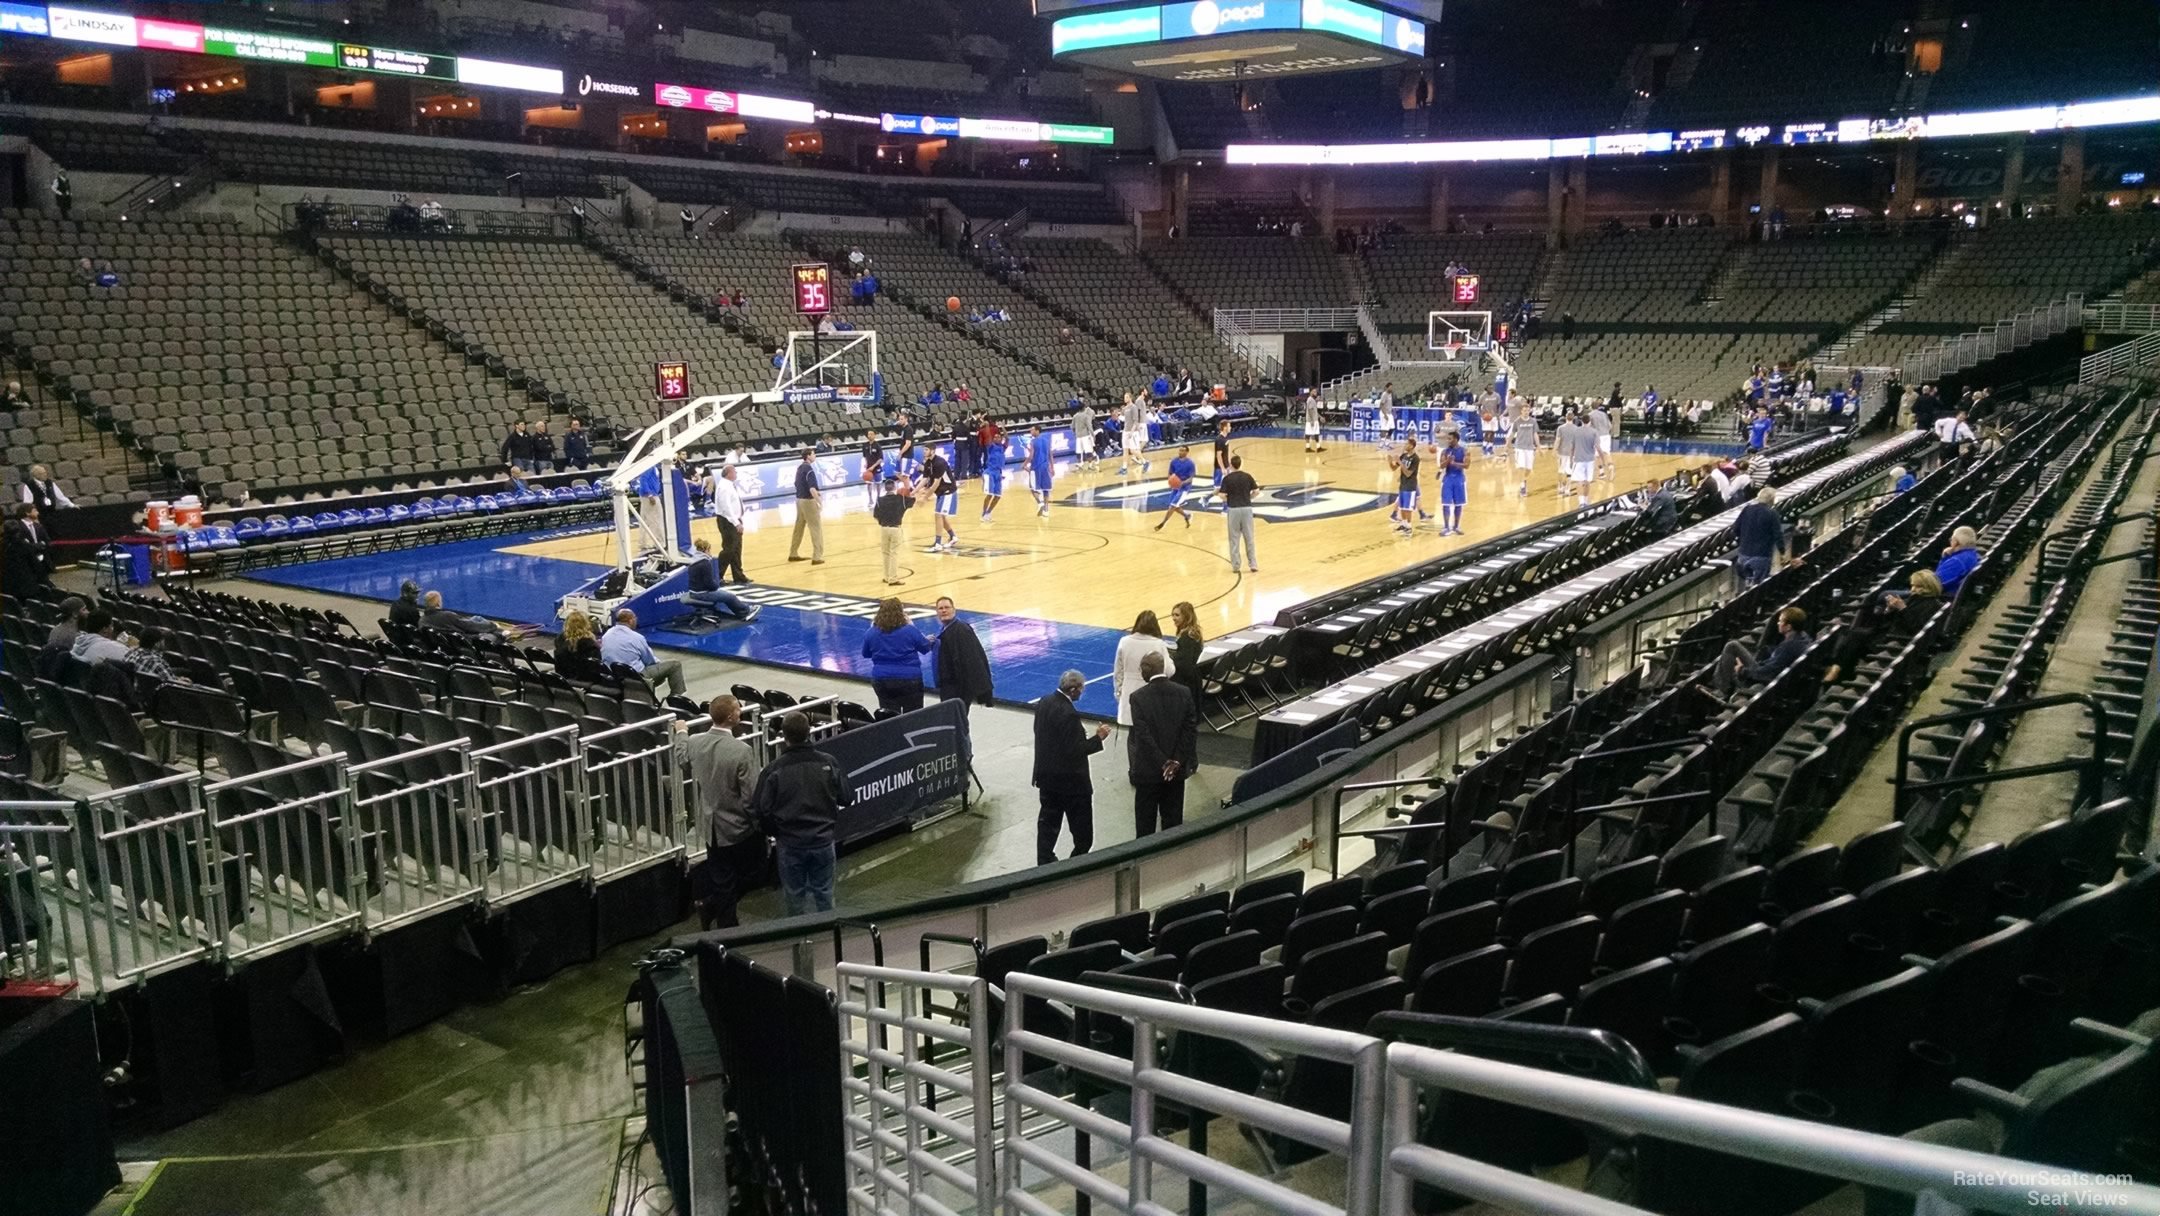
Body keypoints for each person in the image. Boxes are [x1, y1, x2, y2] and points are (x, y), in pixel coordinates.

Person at [750, 710, 851, 916]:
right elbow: (846, 797)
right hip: (822, 841)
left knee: (794, 899)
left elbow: (760, 810)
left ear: (783, 735)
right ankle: (831, 937)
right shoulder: (828, 762)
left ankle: (801, 942)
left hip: (790, 845)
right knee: (825, 895)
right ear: (809, 732)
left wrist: (777, 832)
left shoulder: (773, 771)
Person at [675, 695, 763, 929]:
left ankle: (718, 913)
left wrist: (681, 732)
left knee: (723, 878)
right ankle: (723, 917)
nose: (741, 712)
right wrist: (756, 823)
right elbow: (749, 796)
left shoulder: (695, 742)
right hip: (738, 828)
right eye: (738, 709)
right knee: (752, 872)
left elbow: (681, 758)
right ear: (731, 716)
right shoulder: (741, 751)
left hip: (711, 827)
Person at [1033, 669, 1110, 864]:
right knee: (1083, 834)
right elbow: (1076, 750)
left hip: (1047, 777)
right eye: (1081, 689)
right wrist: (1098, 737)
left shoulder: (1044, 702)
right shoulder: (1069, 714)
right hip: (1071, 784)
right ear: (1074, 690)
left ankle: (1044, 861)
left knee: (1048, 825)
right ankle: (1076, 865)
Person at [1126, 651, 1198, 840]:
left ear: (1145, 671)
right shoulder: (1184, 692)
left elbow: (1143, 736)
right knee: (1173, 825)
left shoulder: (1138, 697)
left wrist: (1163, 762)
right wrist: (1176, 761)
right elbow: (1189, 730)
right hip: (1176, 772)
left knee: (1145, 826)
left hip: (1148, 772)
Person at [1823, 571, 1941, 683]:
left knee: (1855, 641)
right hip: (1890, 632)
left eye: (1918, 586)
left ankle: (1839, 672)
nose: (1913, 589)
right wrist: (1889, 610)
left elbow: (1915, 627)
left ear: (1928, 587)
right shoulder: (1915, 598)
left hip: (1898, 640)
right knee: (1853, 634)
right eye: (1912, 586)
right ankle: (1838, 670)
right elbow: (1891, 619)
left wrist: (1902, 609)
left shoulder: (1931, 604)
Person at [1711, 606, 1812, 698]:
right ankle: (1725, 686)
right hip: (1778, 678)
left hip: (1767, 683)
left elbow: (1768, 672)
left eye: (1780, 621)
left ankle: (1721, 690)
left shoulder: (1788, 646)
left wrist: (1742, 671)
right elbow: (1776, 662)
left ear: (1788, 627)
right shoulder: (1804, 637)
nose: (1778, 623)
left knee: (1732, 646)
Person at [861, 597, 932, 712]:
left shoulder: (871, 632)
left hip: (882, 679)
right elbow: (925, 648)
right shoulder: (910, 630)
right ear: (901, 612)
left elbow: (866, 654)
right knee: (913, 717)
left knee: (889, 718)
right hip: (909, 680)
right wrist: (927, 638)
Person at [601, 608, 686, 697]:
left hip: (615, 677)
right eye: (635, 618)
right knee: (675, 665)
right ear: (631, 620)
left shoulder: (606, 635)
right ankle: (677, 699)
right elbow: (649, 661)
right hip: (636, 677)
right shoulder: (637, 638)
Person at [931, 597, 994, 717]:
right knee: (952, 720)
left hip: (958, 688)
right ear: (937, 612)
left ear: (954, 610)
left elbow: (972, 659)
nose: (944, 611)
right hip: (948, 686)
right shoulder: (945, 630)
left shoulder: (961, 630)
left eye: (947, 607)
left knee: (957, 721)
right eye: (940, 608)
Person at [1113, 610, 1175, 726]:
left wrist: (1119, 692)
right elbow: (1169, 671)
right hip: (1152, 694)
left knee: (1133, 736)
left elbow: (1118, 672)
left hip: (1128, 692)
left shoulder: (1124, 641)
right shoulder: (1158, 644)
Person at [685, 539, 760, 622]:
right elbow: (709, 584)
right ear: (706, 550)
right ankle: (746, 612)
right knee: (730, 597)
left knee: (724, 594)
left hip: (693, 592)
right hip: (701, 594)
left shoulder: (693, 560)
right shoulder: (705, 563)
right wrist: (717, 587)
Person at [1734, 487, 1784, 585]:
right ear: (1772, 500)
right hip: (1761, 556)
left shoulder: (1747, 509)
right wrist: (1782, 552)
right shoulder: (1772, 514)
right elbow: (1778, 535)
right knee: (1758, 586)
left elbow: (1736, 528)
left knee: (1747, 583)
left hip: (1744, 554)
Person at [708, 465, 749, 584]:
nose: (736, 473)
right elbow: (726, 507)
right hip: (728, 521)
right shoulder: (724, 487)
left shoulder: (729, 485)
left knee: (736, 549)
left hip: (734, 520)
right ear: (728, 473)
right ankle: (717, 575)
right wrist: (736, 523)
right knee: (729, 549)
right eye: (734, 471)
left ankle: (738, 576)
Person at [1220, 454, 1259, 574]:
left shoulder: (1227, 479)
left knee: (1234, 538)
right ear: (1240, 464)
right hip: (1247, 508)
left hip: (1233, 509)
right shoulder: (1247, 476)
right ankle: (1253, 564)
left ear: (1231, 465)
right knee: (1249, 537)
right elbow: (1256, 491)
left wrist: (1229, 499)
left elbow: (1222, 496)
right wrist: (1248, 497)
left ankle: (1236, 565)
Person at [1, 504, 51, 590]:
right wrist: (38, 545)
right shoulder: (19, 531)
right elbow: (27, 548)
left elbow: (47, 541)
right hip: (25, 578)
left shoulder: (39, 526)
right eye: (35, 510)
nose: (38, 512)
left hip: (42, 562)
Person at [788, 449, 825, 564]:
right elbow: (812, 488)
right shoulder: (809, 469)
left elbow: (797, 484)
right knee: (815, 528)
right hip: (808, 501)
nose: (815, 456)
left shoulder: (800, 468)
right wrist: (819, 501)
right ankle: (817, 556)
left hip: (799, 500)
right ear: (808, 456)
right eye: (813, 454)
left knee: (798, 528)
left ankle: (793, 553)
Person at [873, 475, 911, 585]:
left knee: (885, 553)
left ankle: (886, 576)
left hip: (884, 528)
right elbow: (912, 500)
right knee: (894, 553)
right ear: (895, 488)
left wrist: (882, 522)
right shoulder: (900, 499)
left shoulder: (880, 500)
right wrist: (906, 487)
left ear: (885, 488)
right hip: (895, 528)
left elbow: (875, 516)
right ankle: (893, 578)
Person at [921, 444, 959, 552]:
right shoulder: (928, 463)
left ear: (932, 451)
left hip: (948, 490)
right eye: (924, 450)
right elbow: (925, 479)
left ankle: (938, 543)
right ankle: (953, 537)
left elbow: (936, 483)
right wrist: (913, 491)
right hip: (941, 492)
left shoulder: (940, 462)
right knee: (941, 516)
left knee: (938, 515)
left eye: (926, 450)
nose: (924, 452)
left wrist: (925, 497)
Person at [420, 590, 504, 637]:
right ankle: (502, 632)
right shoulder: (447, 615)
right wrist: (492, 626)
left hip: (452, 637)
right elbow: (470, 627)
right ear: (438, 603)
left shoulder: (422, 621)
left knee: (477, 618)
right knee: (492, 634)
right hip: (466, 638)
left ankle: (498, 629)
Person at [1168, 601, 1205, 702]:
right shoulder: (1193, 632)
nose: (1173, 618)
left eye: (1177, 615)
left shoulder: (1187, 637)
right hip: (1192, 678)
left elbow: (1184, 664)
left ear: (1186, 616)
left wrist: (1170, 658)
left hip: (1186, 683)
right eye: (1172, 615)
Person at [1156, 445, 1197, 531]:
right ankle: (1187, 515)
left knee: (1172, 506)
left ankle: (1163, 523)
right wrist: (1170, 481)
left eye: (1182, 451)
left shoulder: (1190, 463)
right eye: (1179, 450)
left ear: (1187, 452)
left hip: (1184, 488)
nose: (1180, 452)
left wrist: (1182, 483)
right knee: (1174, 506)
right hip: (1175, 487)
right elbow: (1170, 473)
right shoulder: (1174, 461)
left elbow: (1191, 478)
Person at [1436, 428, 1469, 536]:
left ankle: (1456, 526)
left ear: (1456, 439)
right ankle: (1446, 527)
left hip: (1459, 479)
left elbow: (1467, 465)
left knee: (1458, 504)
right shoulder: (1445, 451)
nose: (1448, 441)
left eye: (1450, 439)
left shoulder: (1464, 451)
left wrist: (1454, 463)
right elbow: (1441, 465)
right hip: (1448, 479)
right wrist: (1447, 461)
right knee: (1446, 503)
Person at [1388, 435, 1423, 535]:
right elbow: (1393, 468)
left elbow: (1408, 473)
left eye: (1407, 444)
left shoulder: (1415, 458)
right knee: (1402, 507)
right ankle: (1403, 524)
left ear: (1412, 446)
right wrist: (1390, 461)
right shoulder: (1404, 456)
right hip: (1403, 484)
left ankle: (1409, 527)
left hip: (1410, 486)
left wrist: (1400, 462)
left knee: (1408, 508)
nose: (1405, 445)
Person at [555, 610, 603, 679]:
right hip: (587, 682)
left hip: (565, 681)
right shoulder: (591, 646)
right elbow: (596, 670)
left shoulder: (559, 642)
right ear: (586, 624)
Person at [1934, 526, 1981, 596]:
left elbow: (1934, 584)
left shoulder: (1956, 562)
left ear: (1956, 542)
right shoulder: (1974, 555)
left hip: (1945, 596)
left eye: (1951, 539)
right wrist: (1945, 557)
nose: (1950, 541)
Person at [1511, 402, 1540, 498]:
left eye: (1528, 410)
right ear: (1521, 411)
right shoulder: (1517, 421)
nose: (1526, 412)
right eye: (1524, 410)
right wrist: (1507, 445)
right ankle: (1522, 486)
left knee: (1528, 468)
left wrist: (1538, 446)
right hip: (1520, 447)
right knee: (1521, 467)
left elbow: (1535, 434)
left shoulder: (1533, 421)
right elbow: (1512, 433)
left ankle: (1524, 480)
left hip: (1530, 447)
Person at [979, 424, 1007, 524]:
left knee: (998, 496)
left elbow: (1007, 438)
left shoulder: (1003, 447)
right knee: (989, 494)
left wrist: (1003, 428)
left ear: (1001, 438)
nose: (996, 438)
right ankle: (983, 514)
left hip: (998, 474)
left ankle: (988, 513)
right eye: (995, 437)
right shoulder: (991, 447)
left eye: (998, 437)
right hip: (989, 472)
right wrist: (987, 426)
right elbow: (989, 436)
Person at [1119, 391, 1151, 475]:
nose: (1124, 398)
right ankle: (1124, 468)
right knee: (1125, 450)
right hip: (1125, 431)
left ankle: (1145, 462)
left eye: (1126, 397)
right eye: (1124, 397)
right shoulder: (1124, 408)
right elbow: (1121, 417)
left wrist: (1132, 431)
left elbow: (1136, 421)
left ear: (1130, 398)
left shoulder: (1134, 407)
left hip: (1132, 432)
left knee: (1133, 450)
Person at [1028, 424, 1055, 518]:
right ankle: (1046, 510)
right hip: (1046, 467)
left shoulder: (1033, 442)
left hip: (1035, 468)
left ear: (1037, 431)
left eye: (1032, 430)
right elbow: (1050, 454)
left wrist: (1024, 464)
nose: (1031, 432)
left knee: (1032, 488)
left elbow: (1031, 456)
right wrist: (1052, 467)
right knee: (1046, 489)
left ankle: (1040, 503)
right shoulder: (1046, 441)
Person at [1588, 402, 1615, 480]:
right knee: (1607, 453)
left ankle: (1601, 472)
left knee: (1597, 455)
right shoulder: (1604, 414)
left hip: (1597, 436)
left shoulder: (1590, 415)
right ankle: (1611, 468)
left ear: (1591, 407)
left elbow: (1588, 427)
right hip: (1606, 435)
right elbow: (1610, 426)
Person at [1208, 419, 1232, 494]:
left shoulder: (1226, 437)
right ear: (1225, 428)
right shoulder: (1219, 439)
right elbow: (1218, 455)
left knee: (1227, 488)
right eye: (1229, 426)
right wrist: (1222, 468)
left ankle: (1225, 505)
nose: (1230, 428)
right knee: (1218, 489)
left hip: (1226, 465)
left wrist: (1229, 464)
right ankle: (1205, 499)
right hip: (1219, 468)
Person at [1074, 399, 1098, 470]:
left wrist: (1075, 432)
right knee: (1088, 450)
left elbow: (1072, 426)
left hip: (1078, 436)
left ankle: (1080, 463)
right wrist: (1093, 435)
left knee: (1079, 451)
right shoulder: (1086, 416)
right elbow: (1089, 426)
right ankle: (1090, 464)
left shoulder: (1075, 416)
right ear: (1084, 408)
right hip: (1085, 436)